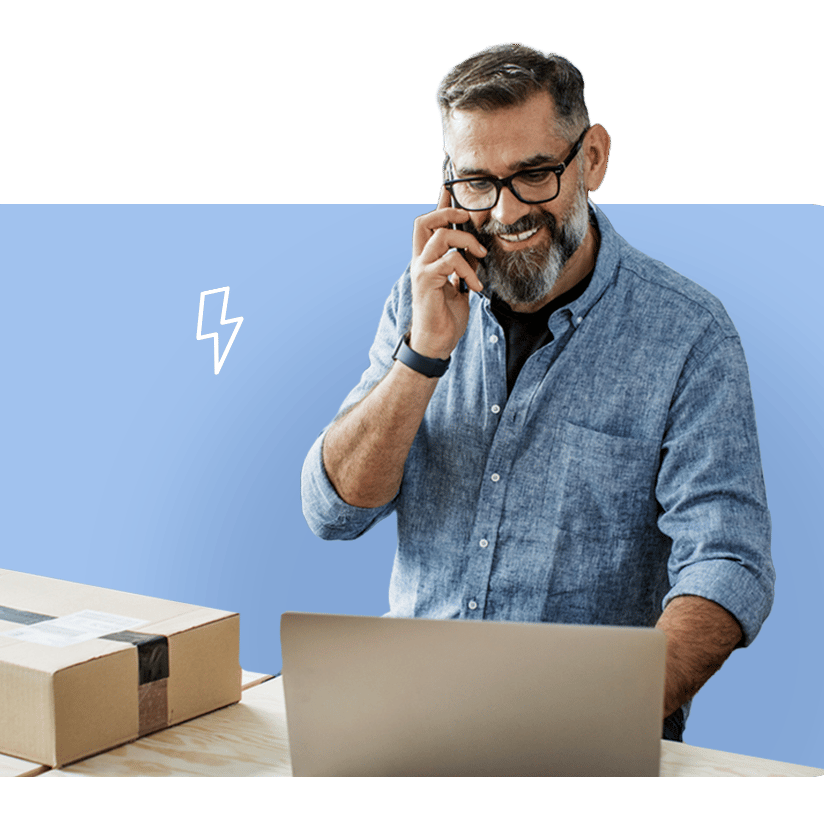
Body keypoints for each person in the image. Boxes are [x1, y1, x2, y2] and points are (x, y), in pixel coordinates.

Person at [301, 43, 774, 741]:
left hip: (586, 732)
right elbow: (333, 511)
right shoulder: (418, 300)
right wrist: (422, 355)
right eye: (476, 183)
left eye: (533, 174)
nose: (504, 211)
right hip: (410, 719)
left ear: (590, 159)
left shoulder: (688, 334)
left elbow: (727, 562)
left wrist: (606, 709)